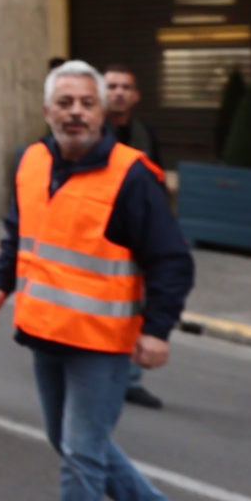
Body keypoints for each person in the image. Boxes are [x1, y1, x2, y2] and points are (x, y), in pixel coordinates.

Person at [0, 60, 196, 501]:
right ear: (48, 109)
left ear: (104, 112)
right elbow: (19, 230)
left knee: (80, 450)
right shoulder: (31, 160)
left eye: (87, 103)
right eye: (66, 102)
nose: (76, 112)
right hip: (44, 328)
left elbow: (172, 260)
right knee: (72, 441)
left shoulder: (132, 175)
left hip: (102, 341)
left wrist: (158, 330)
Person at [100, 65, 164, 410]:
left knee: (132, 307)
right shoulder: (90, 133)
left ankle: (129, 379)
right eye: (112, 86)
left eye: (126, 87)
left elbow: (156, 183)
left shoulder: (144, 134)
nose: (119, 93)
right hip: (96, 236)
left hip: (135, 236)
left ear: (136, 95)